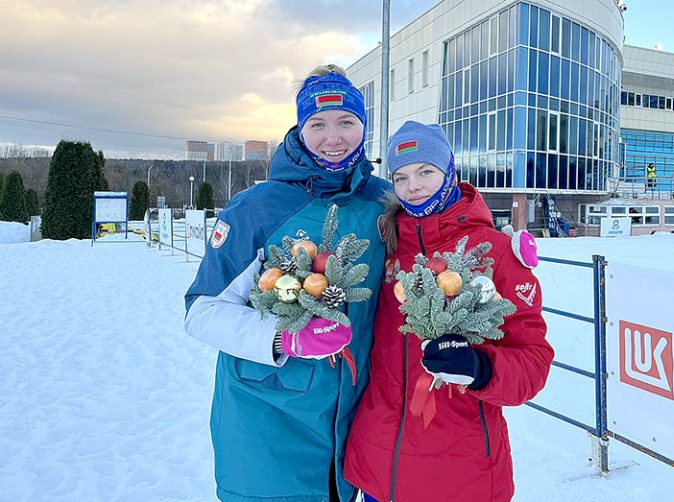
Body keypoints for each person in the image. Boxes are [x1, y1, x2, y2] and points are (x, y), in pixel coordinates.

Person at [184, 65, 391, 502]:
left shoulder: (384, 202)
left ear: (363, 126)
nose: (333, 137)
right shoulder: (257, 207)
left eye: (346, 122)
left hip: (351, 424)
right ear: (299, 128)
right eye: (318, 124)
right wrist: (284, 341)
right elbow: (202, 313)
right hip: (266, 425)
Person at [343, 121, 554, 502]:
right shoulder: (384, 247)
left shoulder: (496, 251)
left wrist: (481, 368)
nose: (414, 186)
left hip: (460, 473)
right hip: (380, 467)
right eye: (402, 176)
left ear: (450, 171)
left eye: (426, 171)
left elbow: (533, 361)